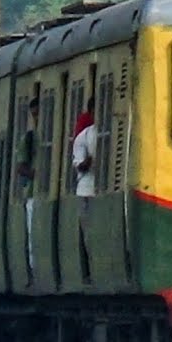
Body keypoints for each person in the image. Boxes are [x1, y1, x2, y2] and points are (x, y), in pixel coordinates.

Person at [71, 99, 97, 283]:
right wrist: (90, 161)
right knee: (88, 233)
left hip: (100, 191)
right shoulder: (84, 136)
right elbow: (79, 165)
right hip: (86, 190)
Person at [16, 96, 40, 282]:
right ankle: (33, 271)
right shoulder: (30, 138)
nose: (37, 117)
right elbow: (20, 167)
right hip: (33, 192)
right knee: (33, 235)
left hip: (45, 192)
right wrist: (36, 175)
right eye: (34, 115)